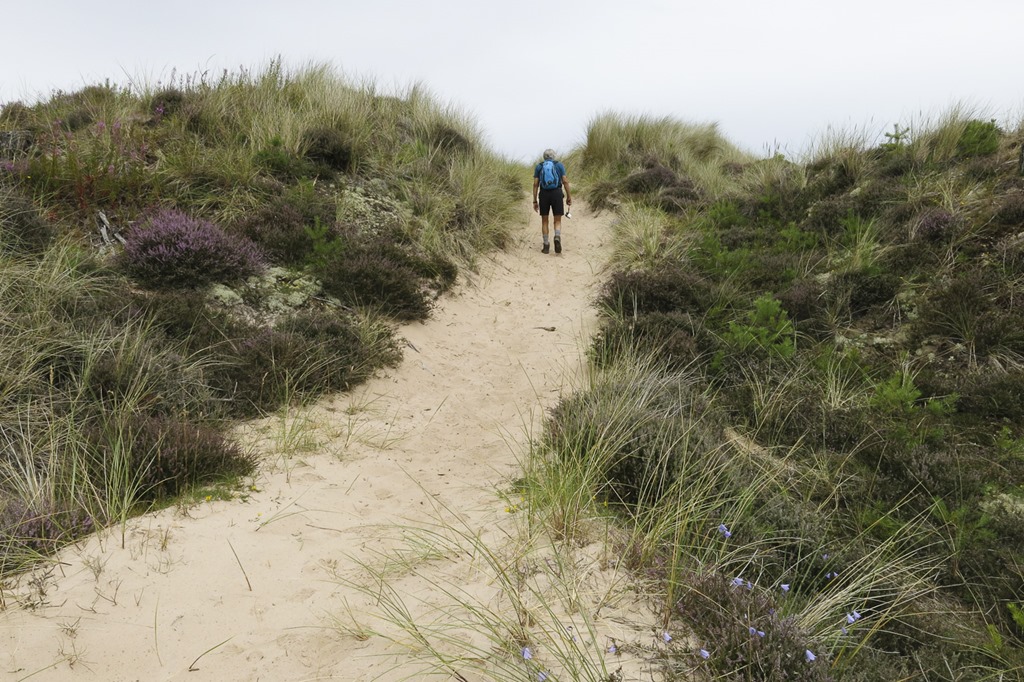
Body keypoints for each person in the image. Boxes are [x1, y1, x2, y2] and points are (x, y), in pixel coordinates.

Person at [532, 149, 572, 254]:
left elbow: (535, 184)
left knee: (544, 220)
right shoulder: (559, 165)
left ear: (544, 157)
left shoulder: (539, 166)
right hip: (557, 193)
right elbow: (565, 181)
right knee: (557, 220)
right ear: (554, 156)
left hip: (544, 194)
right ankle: (557, 236)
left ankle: (546, 245)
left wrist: (534, 201)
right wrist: (569, 196)